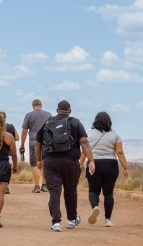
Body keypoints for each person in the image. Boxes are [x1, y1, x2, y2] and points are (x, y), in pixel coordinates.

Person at [35, 100, 94, 232]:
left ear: (57, 110)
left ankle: (56, 222)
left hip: (50, 162)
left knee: (54, 192)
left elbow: (38, 143)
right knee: (70, 191)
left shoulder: (48, 122)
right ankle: (72, 220)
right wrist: (91, 160)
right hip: (71, 162)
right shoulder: (75, 122)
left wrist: (39, 159)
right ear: (70, 111)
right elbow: (84, 141)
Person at [80, 111, 130, 227]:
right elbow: (119, 152)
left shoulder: (88, 134)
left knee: (93, 191)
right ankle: (107, 220)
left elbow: (84, 151)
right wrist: (125, 168)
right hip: (111, 165)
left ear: (95, 121)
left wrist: (81, 164)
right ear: (109, 122)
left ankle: (95, 207)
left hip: (94, 163)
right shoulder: (115, 134)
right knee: (108, 193)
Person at [20, 98, 52, 193]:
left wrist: (22, 144)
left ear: (33, 106)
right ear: (41, 105)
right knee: (45, 162)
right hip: (46, 142)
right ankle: (45, 185)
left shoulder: (29, 115)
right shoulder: (48, 115)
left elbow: (24, 131)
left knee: (34, 163)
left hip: (33, 142)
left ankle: (37, 186)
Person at [0, 110, 18, 194]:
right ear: (5, 117)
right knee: (6, 169)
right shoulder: (11, 126)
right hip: (8, 151)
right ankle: (5, 186)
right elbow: (17, 137)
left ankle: (0, 185)